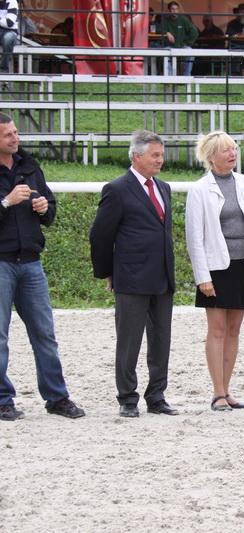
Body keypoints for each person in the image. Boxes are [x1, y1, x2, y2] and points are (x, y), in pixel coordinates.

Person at [0, 112, 85, 421]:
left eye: (15, 132)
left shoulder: (30, 166)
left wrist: (44, 207)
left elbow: (50, 212)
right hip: (1, 263)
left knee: (45, 334)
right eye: (8, 134)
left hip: (31, 263)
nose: (15, 138)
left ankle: (57, 397)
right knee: (0, 337)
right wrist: (6, 202)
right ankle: (3, 400)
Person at [89, 130, 178, 417]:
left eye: (161, 155)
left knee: (161, 340)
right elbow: (100, 235)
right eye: (155, 155)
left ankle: (157, 396)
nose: (160, 160)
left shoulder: (163, 188)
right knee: (129, 341)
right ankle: (127, 398)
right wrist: (108, 271)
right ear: (137, 156)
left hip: (162, 276)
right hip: (132, 277)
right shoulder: (117, 189)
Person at [185, 131, 244, 411]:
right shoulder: (199, 189)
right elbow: (194, 237)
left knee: (234, 330)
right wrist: (203, 277)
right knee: (217, 329)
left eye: (234, 149)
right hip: (215, 266)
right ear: (211, 156)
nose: (232, 154)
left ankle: (228, 389)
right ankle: (217, 392)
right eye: (226, 150)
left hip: (241, 263)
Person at [158, 1, 198, 76]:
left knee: (191, 52)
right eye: (172, 9)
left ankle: (186, 76)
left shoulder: (183, 19)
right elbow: (158, 29)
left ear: (178, 10)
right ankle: (170, 78)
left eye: (176, 9)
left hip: (182, 46)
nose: (175, 11)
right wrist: (167, 33)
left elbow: (194, 32)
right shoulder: (165, 20)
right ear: (169, 10)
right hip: (170, 47)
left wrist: (186, 42)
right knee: (164, 54)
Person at [0, 0, 18, 74]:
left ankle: (3, 69)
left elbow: (9, 23)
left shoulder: (12, 1)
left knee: (8, 38)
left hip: (10, 31)